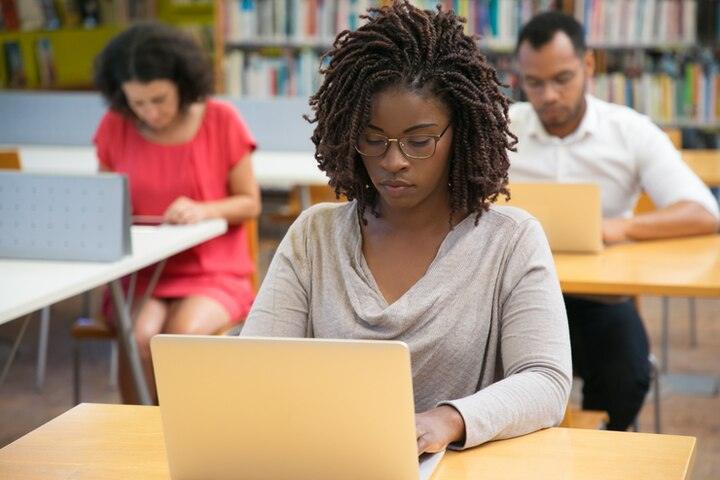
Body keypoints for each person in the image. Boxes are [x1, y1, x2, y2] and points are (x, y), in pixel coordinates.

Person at [241, 1, 571, 453]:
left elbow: (546, 382)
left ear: (463, 132)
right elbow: (255, 367)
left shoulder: (510, 241)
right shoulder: (313, 237)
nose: (393, 161)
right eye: (373, 139)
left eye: (419, 141)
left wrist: (450, 419)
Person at [508, 11, 720, 431]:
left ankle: (604, 448)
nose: (548, 95)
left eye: (562, 78)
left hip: (599, 301)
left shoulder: (630, 131)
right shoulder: (502, 130)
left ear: (588, 67)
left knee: (627, 375)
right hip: (514, 296)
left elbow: (703, 212)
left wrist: (617, 228)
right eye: (534, 82)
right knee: (480, 374)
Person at [93, 22, 261, 403]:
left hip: (213, 268)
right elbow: (103, 206)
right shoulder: (114, 126)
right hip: (142, 271)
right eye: (137, 102)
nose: (149, 112)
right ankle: (140, 436)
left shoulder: (221, 119)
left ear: (182, 84)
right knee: (139, 335)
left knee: (181, 336)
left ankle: (190, 439)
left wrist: (204, 210)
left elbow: (250, 202)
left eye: (159, 99)